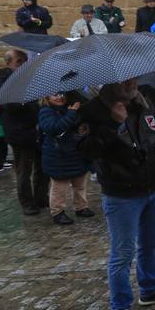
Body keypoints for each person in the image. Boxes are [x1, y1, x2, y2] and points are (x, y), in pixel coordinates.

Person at [79, 79, 155, 310]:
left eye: (134, 77)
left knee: (150, 243)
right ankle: (120, 308)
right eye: (125, 80)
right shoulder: (94, 111)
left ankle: (149, 289)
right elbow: (86, 150)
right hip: (122, 194)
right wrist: (114, 123)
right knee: (122, 253)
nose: (133, 83)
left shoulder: (143, 102)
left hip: (153, 187)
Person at [0, 49, 49, 216]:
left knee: (42, 167)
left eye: (24, 60)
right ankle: (27, 203)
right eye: (18, 61)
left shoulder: (27, 76)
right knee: (24, 169)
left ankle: (41, 198)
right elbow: (8, 104)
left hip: (35, 128)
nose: (23, 64)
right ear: (8, 63)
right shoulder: (4, 79)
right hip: (19, 131)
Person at [38, 92, 94, 226]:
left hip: (75, 153)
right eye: (54, 95)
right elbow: (54, 128)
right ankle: (58, 212)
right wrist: (72, 113)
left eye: (61, 93)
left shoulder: (70, 107)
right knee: (60, 187)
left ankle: (81, 207)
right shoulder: (46, 112)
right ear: (46, 98)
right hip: (58, 157)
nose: (59, 97)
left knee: (80, 184)